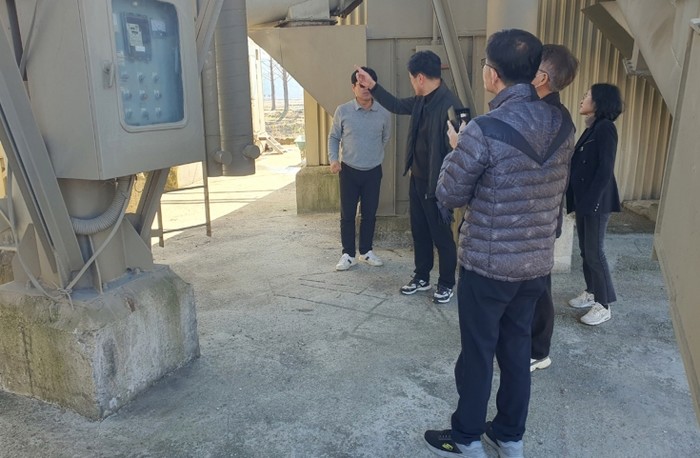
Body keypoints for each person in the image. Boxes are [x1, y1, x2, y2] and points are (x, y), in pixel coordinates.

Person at [424, 29, 575, 457]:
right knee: (516, 350)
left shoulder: (484, 129)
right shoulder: (563, 124)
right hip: (534, 264)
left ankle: (467, 437)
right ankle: (509, 436)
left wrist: (457, 149)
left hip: (488, 267)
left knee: (477, 353)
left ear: (493, 74)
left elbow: (449, 193)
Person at [355, 50, 461, 304]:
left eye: (412, 78)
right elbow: (396, 105)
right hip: (417, 179)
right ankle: (422, 276)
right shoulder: (421, 100)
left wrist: (448, 189)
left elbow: (459, 152)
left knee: (441, 236)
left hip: (438, 185)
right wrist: (373, 86)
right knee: (420, 232)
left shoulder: (450, 105)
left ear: (420, 77)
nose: (412, 83)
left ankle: (447, 282)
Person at [529, 44, 579, 372]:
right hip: (538, 214)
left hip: (538, 215)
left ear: (541, 78)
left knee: (538, 286)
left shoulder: (549, 118)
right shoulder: (548, 113)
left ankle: (538, 350)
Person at [565, 83, 623, 326]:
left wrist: (592, 202)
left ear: (600, 102)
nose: (582, 99)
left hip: (596, 201)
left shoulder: (605, 128)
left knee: (595, 252)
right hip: (585, 200)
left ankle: (604, 304)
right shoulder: (593, 127)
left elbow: (605, 169)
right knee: (585, 250)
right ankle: (591, 291)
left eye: (587, 95)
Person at [328, 67, 391, 271]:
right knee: (347, 215)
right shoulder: (343, 111)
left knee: (369, 214)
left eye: (368, 85)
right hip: (349, 170)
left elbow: (385, 138)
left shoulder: (383, 113)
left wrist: (371, 154)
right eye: (360, 85)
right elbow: (334, 137)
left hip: (373, 170)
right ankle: (348, 254)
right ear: (353, 87)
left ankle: (366, 251)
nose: (365, 89)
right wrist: (334, 159)